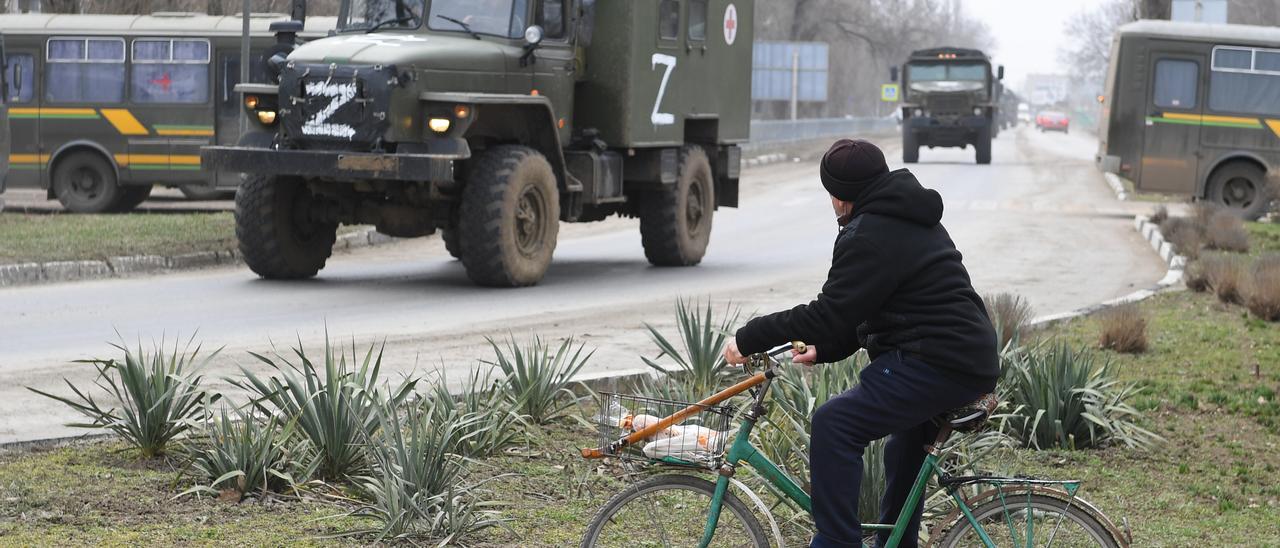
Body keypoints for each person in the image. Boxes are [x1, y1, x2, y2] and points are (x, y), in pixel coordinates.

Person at [722, 139, 999, 548]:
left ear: (838, 196)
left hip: (938, 361)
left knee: (835, 424)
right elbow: (869, 308)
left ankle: (836, 542)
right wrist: (828, 347)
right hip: (958, 355)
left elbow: (827, 313)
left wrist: (748, 337)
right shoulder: (904, 214)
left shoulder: (870, 233)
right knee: (902, 451)